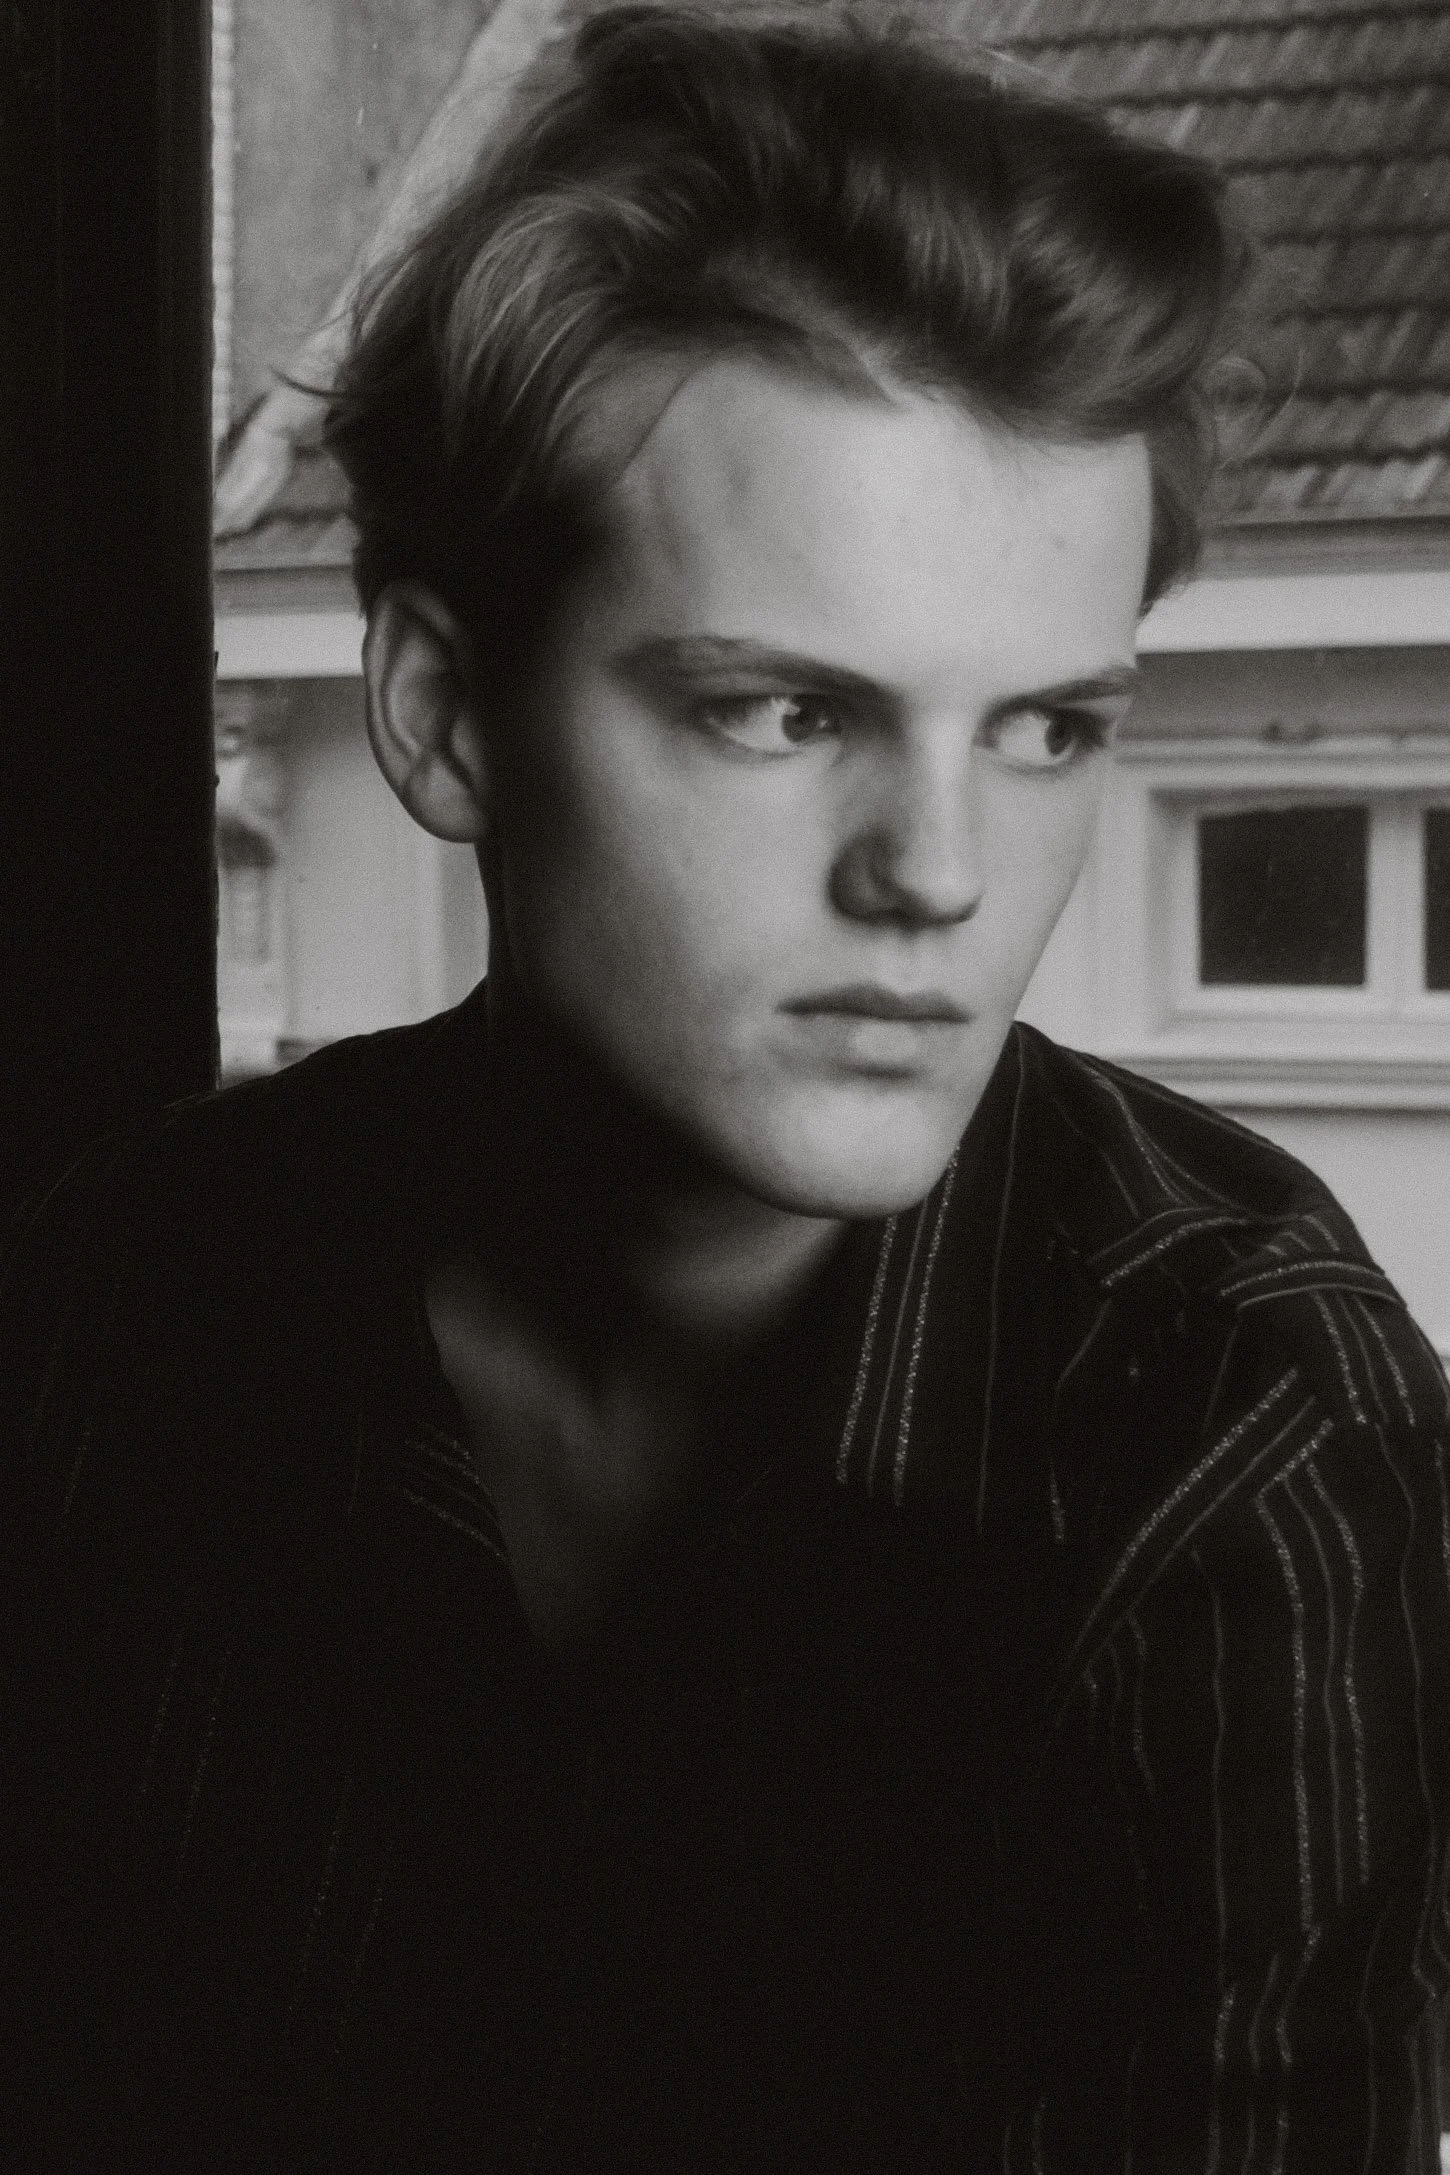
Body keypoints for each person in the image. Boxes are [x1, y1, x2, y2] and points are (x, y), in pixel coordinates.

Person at [7, 7, 1450, 2168]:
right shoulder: (123, 1319)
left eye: (1046, 730)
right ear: (438, 712)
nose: (939, 877)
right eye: (780, 712)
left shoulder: (1232, 1412)